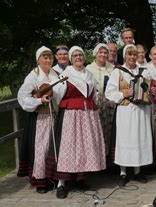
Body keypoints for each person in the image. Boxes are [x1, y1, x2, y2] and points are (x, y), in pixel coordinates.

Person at [48, 46, 106, 199]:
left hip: (88, 115)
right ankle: (62, 183)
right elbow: (57, 95)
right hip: (71, 116)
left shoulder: (88, 74)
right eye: (75, 56)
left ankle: (80, 179)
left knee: (84, 148)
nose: (78, 58)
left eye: (80, 55)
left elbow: (94, 94)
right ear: (71, 59)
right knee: (68, 148)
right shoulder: (65, 75)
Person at [17, 46, 62, 194]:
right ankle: (41, 181)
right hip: (41, 118)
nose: (48, 60)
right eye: (45, 57)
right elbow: (23, 98)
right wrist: (39, 101)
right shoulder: (33, 76)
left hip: (55, 115)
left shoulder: (56, 74)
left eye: (50, 57)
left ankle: (54, 177)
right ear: (38, 60)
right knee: (42, 148)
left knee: (54, 147)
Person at [106, 44, 153, 186]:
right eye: (129, 55)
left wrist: (151, 91)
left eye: (134, 55)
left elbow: (149, 89)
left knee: (139, 138)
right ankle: (123, 172)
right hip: (125, 111)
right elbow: (109, 93)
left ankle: (138, 171)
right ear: (125, 56)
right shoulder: (118, 72)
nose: (132, 57)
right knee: (125, 140)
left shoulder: (144, 71)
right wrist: (123, 93)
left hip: (141, 111)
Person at [86, 43, 117, 164]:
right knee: (99, 131)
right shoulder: (89, 68)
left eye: (105, 52)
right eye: (101, 52)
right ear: (95, 53)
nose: (103, 55)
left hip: (111, 104)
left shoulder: (112, 68)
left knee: (111, 131)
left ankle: (110, 161)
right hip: (97, 103)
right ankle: (99, 160)